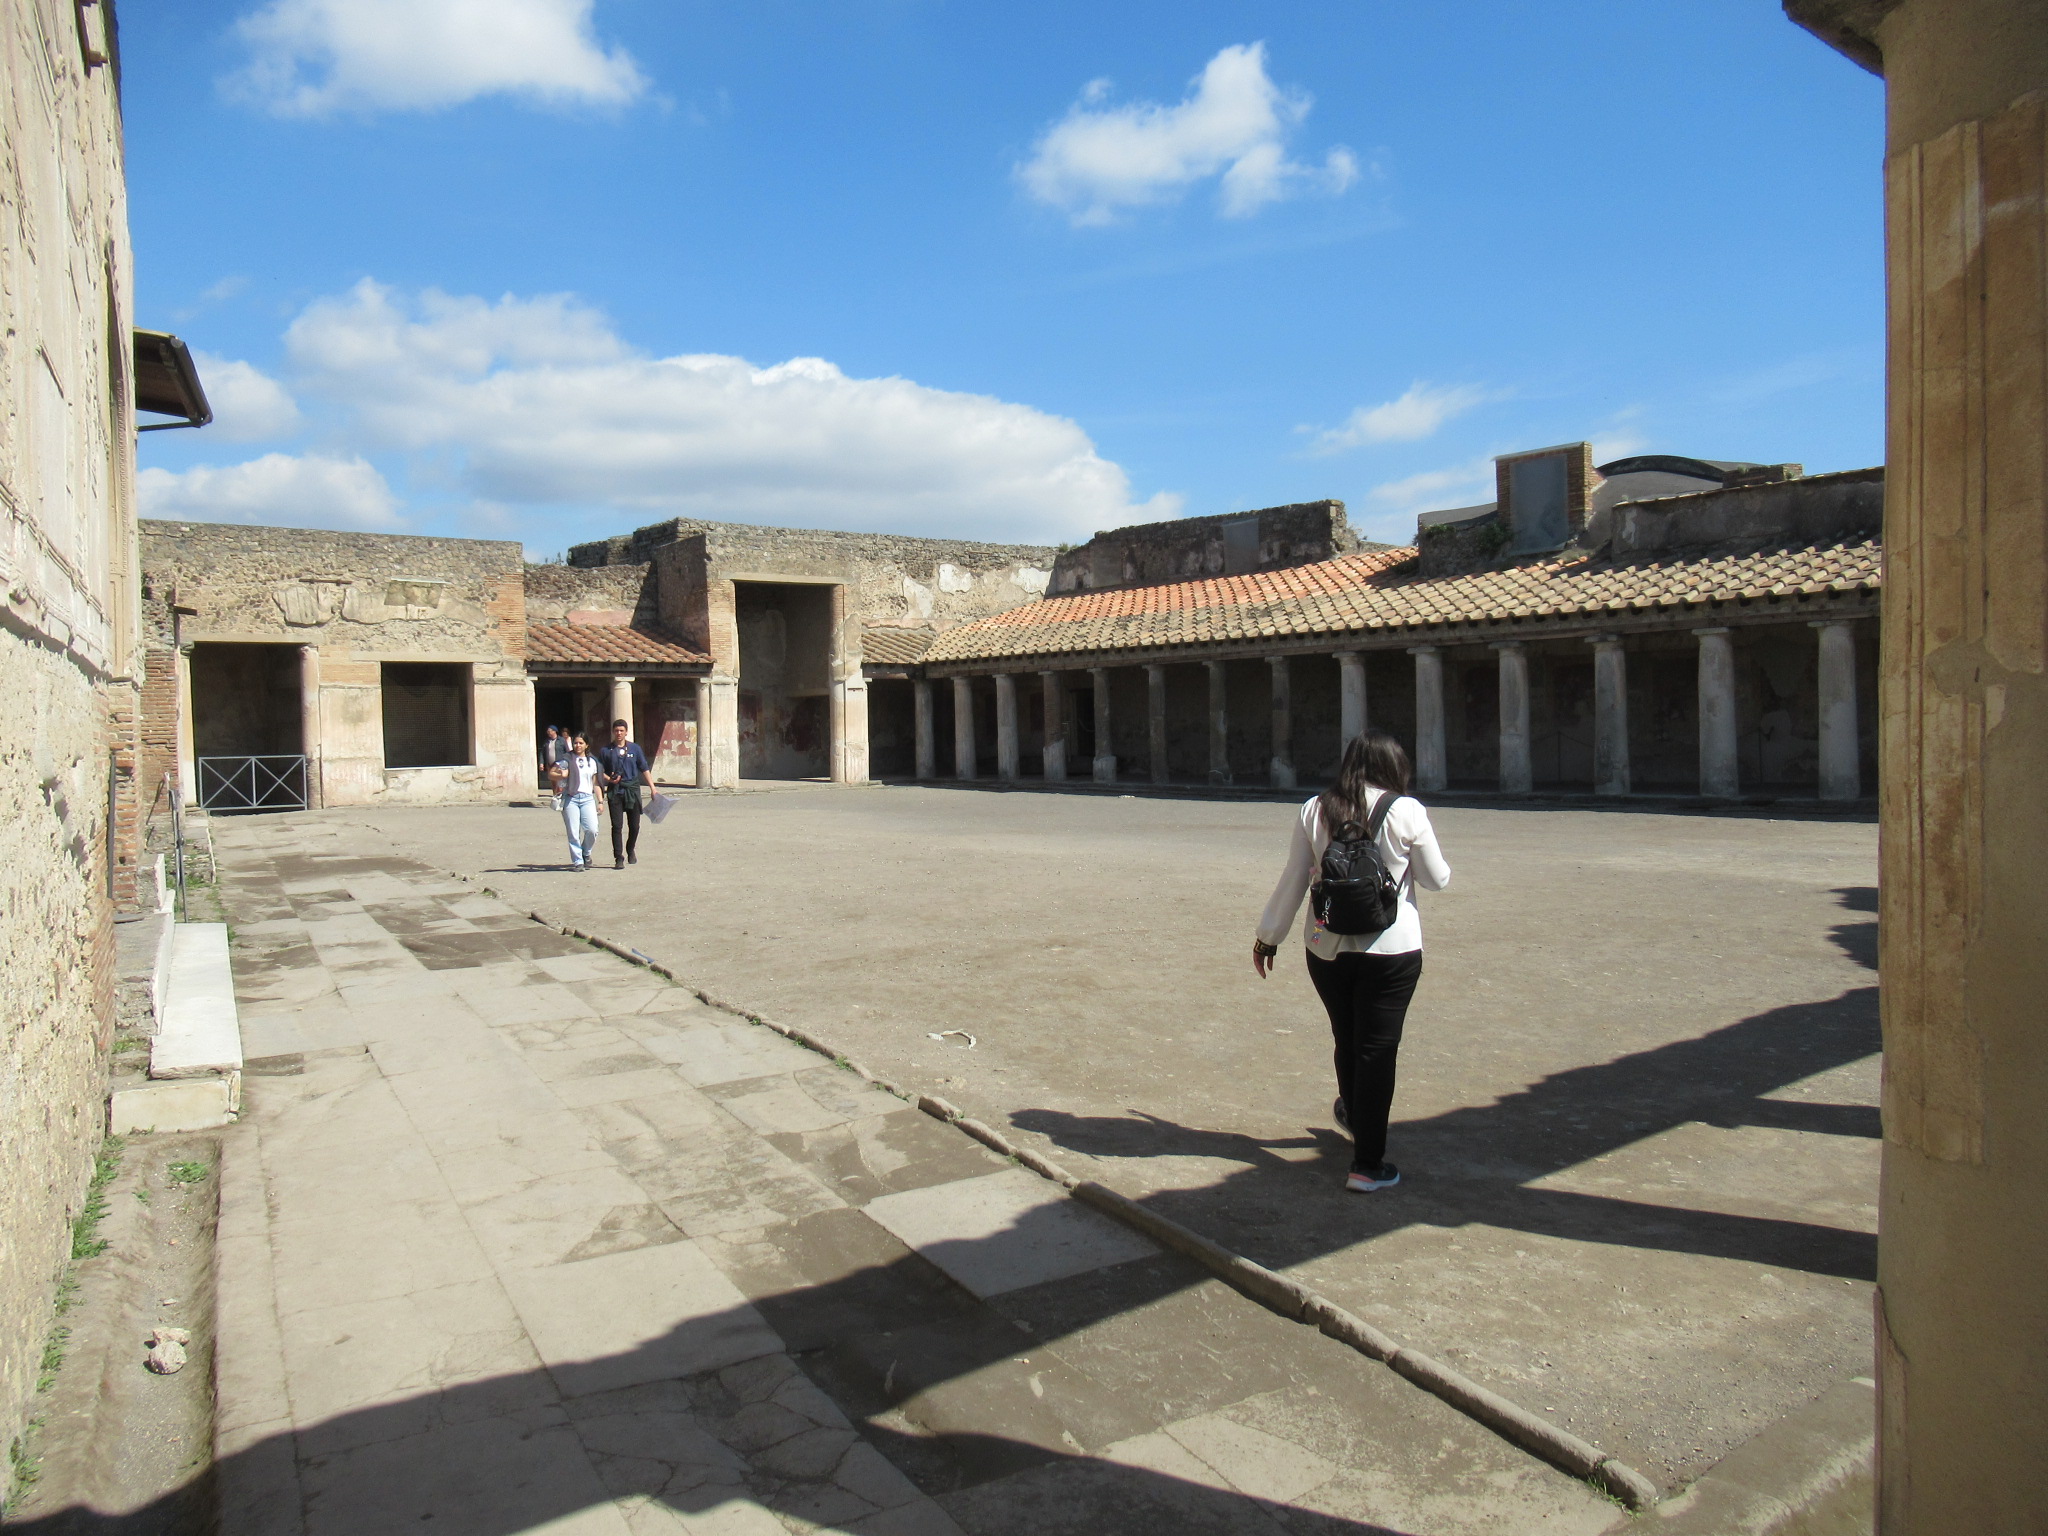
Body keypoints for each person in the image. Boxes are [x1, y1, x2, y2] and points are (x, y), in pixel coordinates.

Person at [1253, 729, 1451, 1193]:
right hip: (1392, 947)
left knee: (1347, 1037)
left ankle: (1354, 1113)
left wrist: (1268, 938)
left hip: (1326, 944)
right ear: (1395, 766)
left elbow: (1294, 880)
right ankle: (1367, 1163)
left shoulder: (1315, 809)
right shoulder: (1407, 810)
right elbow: (1436, 879)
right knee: (1377, 1050)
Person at [595, 717, 651, 870]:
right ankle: (618, 857)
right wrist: (609, 779)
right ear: (613, 732)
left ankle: (630, 848)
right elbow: (598, 771)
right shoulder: (606, 751)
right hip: (615, 792)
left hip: (632, 790)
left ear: (626, 732)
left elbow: (644, 768)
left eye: (621, 730)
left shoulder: (635, 749)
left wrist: (653, 788)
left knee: (635, 826)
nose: (619, 733)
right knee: (617, 826)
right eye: (616, 731)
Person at [558, 732, 605, 872]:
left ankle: (586, 852)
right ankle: (578, 861)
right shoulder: (567, 759)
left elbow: (596, 783)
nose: (578, 745)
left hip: (587, 798)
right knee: (573, 832)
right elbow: (554, 772)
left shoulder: (592, 762)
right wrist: (560, 774)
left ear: (586, 745)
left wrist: (600, 801)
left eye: (581, 743)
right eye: (575, 743)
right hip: (571, 798)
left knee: (592, 829)